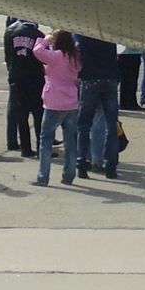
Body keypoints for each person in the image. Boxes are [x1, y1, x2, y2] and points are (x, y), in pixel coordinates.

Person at [32, 30, 83, 186]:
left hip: (54, 101)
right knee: (70, 141)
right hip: (71, 100)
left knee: (46, 140)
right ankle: (69, 175)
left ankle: (43, 176)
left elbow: (37, 51)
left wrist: (45, 40)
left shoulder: (57, 56)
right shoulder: (75, 57)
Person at [73, 33, 121, 180]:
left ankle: (82, 162)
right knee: (111, 124)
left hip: (90, 77)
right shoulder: (108, 34)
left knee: (84, 123)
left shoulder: (82, 34)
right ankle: (110, 165)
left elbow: (76, 52)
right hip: (109, 76)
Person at [4, 16, 45, 157]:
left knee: (22, 115)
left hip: (17, 76)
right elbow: (43, 57)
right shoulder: (39, 35)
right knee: (39, 114)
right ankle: (41, 146)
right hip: (35, 78)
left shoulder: (12, 33)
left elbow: (8, 55)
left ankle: (25, 148)